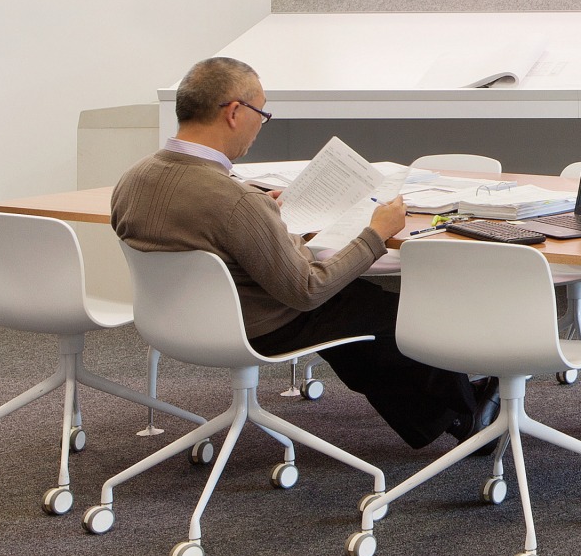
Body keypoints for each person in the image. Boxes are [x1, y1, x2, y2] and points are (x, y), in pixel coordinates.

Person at [110, 57, 491, 449]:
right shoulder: (234, 200)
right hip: (259, 326)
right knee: (398, 312)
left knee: (357, 316)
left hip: (173, 321)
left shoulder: (132, 178)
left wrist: (265, 217)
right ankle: (469, 415)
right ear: (235, 112)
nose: (261, 124)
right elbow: (307, 290)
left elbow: (196, 232)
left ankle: (450, 417)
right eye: (262, 113)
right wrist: (376, 233)